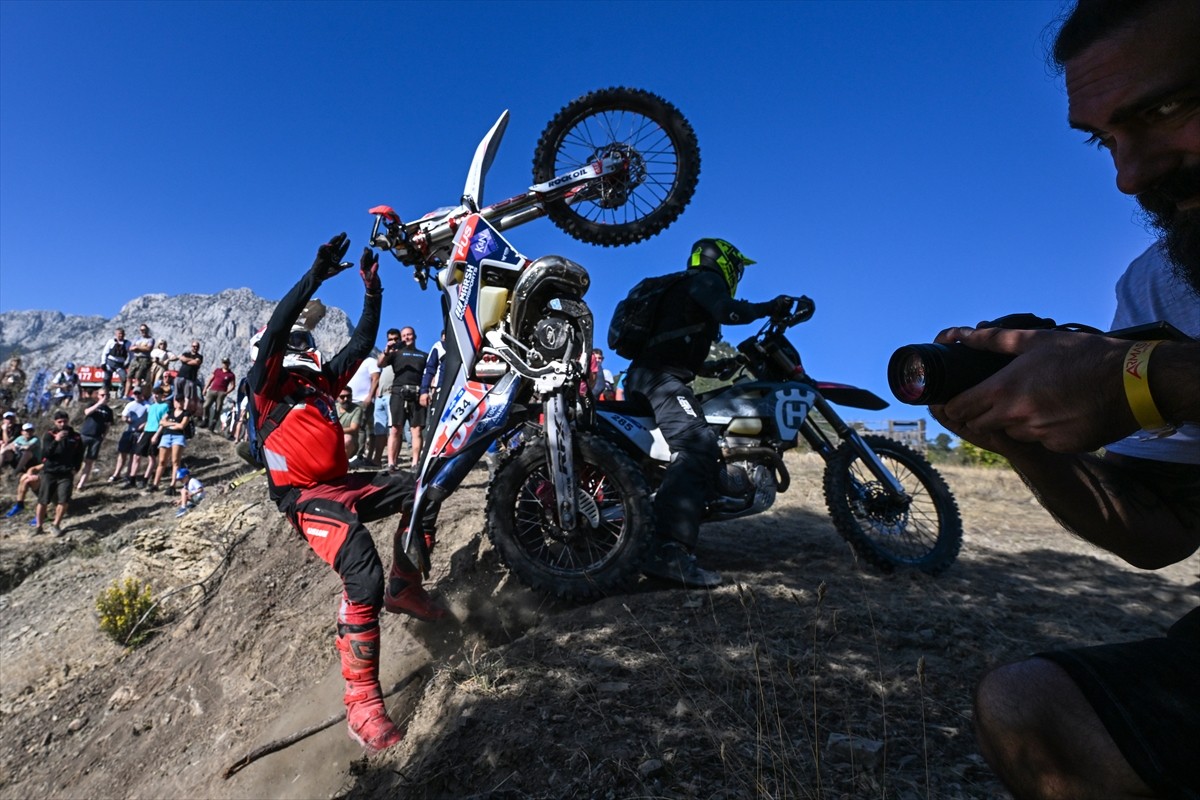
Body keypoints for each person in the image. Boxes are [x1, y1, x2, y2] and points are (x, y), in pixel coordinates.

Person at [927, 3, 1200, 798]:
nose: (1131, 174)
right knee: (1030, 706)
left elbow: (1150, 381)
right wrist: (1025, 439)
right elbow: (1161, 532)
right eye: (1105, 138)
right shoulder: (1163, 281)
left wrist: (1145, 380)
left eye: (1165, 109)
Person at [248, 233, 445, 753]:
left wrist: (372, 291)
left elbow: (359, 347)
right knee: (361, 568)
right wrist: (314, 274)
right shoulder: (266, 389)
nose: (311, 351)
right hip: (305, 498)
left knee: (420, 489)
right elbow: (275, 337)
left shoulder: (317, 385)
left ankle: (405, 587)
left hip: (342, 484)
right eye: (302, 346)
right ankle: (360, 702)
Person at [623, 238, 793, 588]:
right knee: (698, 444)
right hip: (660, 379)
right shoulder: (705, 280)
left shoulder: (684, 289)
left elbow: (672, 348)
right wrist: (769, 307)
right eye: (739, 268)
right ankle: (667, 551)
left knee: (697, 435)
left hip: (649, 376)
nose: (738, 275)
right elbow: (730, 312)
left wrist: (719, 367)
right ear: (727, 262)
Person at [378, 326, 427, 471]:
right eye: (404, 335)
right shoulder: (395, 354)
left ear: (415, 336)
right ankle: (391, 463)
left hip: (417, 393)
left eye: (409, 335)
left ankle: (415, 463)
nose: (406, 337)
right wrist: (387, 350)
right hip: (398, 393)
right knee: (395, 429)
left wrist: (427, 392)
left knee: (416, 430)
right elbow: (380, 363)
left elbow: (430, 373)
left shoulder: (423, 355)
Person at [31, 410, 84, 536]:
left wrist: (75, 469)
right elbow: (45, 454)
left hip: (66, 473)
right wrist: (56, 440)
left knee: (63, 500)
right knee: (43, 500)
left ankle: (56, 525)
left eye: (64, 421)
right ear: (55, 422)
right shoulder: (49, 435)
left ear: (68, 421)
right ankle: (39, 526)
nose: (62, 424)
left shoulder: (75, 436)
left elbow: (79, 455)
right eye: (59, 422)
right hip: (50, 472)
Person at [345, 353, 380, 467]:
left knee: (360, 428)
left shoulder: (370, 361)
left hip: (363, 400)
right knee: (357, 428)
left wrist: (370, 396)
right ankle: (355, 455)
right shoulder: (352, 363)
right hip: (351, 400)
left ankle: (358, 456)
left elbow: (376, 378)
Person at [76, 388, 115, 490]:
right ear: (98, 396)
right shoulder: (91, 404)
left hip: (97, 438)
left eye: (106, 395)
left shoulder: (109, 411)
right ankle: (72, 479)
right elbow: (87, 412)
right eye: (102, 395)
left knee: (89, 461)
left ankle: (81, 484)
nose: (104, 397)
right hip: (85, 435)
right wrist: (99, 404)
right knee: (77, 458)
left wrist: (104, 436)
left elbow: (108, 425)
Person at [151, 394, 191, 493]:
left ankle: (172, 485)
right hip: (166, 436)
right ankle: (155, 484)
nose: (179, 403)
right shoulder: (170, 411)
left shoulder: (186, 413)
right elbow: (162, 422)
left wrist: (169, 424)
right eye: (177, 401)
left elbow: (182, 426)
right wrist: (174, 424)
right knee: (162, 461)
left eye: (181, 401)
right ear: (174, 401)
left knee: (175, 461)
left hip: (178, 437)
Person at [109, 387, 148, 484]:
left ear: (142, 394)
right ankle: (116, 474)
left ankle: (129, 475)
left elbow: (151, 419)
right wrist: (126, 419)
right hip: (129, 431)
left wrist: (144, 424)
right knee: (122, 453)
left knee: (134, 455)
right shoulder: (130, 404)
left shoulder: (147, 405)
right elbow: (123, 416)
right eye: (135, 393)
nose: (137, 395)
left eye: (139, 393)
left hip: (139, 433)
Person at [201, 357, 236, 430]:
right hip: (212, 390)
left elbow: (233, 386)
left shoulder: (231, 375)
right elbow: (211, 379)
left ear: (229, 364)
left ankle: (213, 424)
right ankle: (205, 420)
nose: (225, 364)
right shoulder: (217, 371)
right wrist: (205, 388)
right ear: (222, 363)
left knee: (218, 409)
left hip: (221, 392)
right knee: (205, 406)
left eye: (226, 363)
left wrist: (226, 393)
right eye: (224, 362)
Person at [100, 327, 130, 396]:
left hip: (120, 364)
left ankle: (121, 393)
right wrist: (103, 363)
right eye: (119, 334)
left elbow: (131, 354)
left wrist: (128, 362)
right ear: (116, 334)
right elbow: (105, 352)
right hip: (110, 363)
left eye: (122, 334)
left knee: (124, 378)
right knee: (106, 379)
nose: (120, 335)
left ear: (124, 334)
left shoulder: (127, 343)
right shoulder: (111, 342)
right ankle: (105, 394)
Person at [127, 324, 155, 397]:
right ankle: (125, 395)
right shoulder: (136, 338)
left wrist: (137, 347)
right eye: (141, 330)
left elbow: (148, 349)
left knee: (138, 377)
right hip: (135, 358)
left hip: (144, 359)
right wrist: (142, 347)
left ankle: (136, 395)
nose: (143, 331)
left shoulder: (150, 339)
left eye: (144, 330)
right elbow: (131, 348)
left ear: (147, 330)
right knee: (129, 376)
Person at [175, 340, 204, 409]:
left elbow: (196, 362)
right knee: (176, 394)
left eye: (197, 346)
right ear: (191, 347)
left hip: (190, 379)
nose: (195, 348)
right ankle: (176, 408)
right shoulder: (186, 353)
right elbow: (182, 359)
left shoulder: (200, 356)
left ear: (199, 348)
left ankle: (184, 410)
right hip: (180, 376)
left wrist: (186, 360)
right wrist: (191, 360)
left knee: (187, 396)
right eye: (194, 346)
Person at [337, 388, 364, 459]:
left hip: (350, 443)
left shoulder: (357, 409)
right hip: (332, 438)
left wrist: (335, 431)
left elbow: (353, 428)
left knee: (347, 439)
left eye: (348, 396)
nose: (346, 399)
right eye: (342, 397)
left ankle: (344, 464)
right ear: (337, 397)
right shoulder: (333, 407)